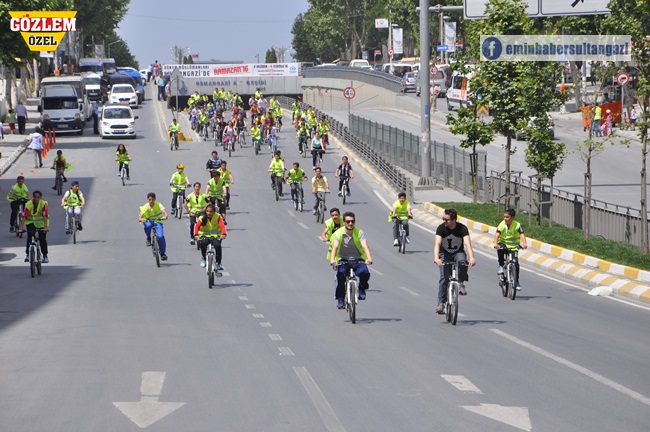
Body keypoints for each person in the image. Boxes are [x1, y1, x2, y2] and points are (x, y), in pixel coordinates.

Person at [433, 208, 476, 314]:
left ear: (453, 220)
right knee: (444, 277)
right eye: (443, 218)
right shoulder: (441, 228)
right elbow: (437, 244)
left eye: (446, 219)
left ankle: (461, 283)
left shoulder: (462, 228)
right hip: (444, 254)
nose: (444, 221)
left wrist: (472, 258)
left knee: (462, 262)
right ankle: (441, 303)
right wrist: (436, 258)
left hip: (458, 253)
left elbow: (467, 244)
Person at [329, 211, 373, 309]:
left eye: (352, 221)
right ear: (344, 222)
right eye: (348, 221)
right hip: (343, 260)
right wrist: (333, 260)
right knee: (340, 277)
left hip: (357, 260)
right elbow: (335, 247)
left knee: (365, 273)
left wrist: (369, 258)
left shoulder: (359, 232)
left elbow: (365, 246)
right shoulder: (339, 233)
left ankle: (361, 288)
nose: (350, 224)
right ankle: (340, 300)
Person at [493, 208, 528, 290]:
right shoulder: (502, 225)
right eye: (504, 217)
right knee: (500, 251)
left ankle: (516, 281)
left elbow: (522, 235)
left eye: (507, 217)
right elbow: (497, 235)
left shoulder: (517, 225)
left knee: (516, 263)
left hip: (513, 246)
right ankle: (501, 266)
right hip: (503, 243)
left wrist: (524, 244)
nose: (505, 219)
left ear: (512, 218)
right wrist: (495, 243)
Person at [19, 190, 49, 263]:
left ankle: (45, 256)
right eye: (35, 197)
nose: (36, 199)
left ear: (40, 198)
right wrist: (20, 228)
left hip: (41, 222)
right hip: (30, 222)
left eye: (38, 197)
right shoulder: (28, 204)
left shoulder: (43, 204)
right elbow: (25, 216)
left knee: (42, 239)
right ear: (33, 197)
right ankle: (28, 255)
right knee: (29, 237)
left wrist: (45, 227)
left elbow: (44, 215)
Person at [193, 204, 227, 268]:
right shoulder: (202, 218)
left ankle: (218, 263)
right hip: (204, 235)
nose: (209, 213)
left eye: (211, 211)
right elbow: (196, 226)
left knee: (218, 246)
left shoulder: (218, 217)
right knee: (203, 243)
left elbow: (222, 226)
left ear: (214, 212)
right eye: (207, 211)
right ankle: (203, 258)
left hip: (215, 235)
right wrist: (196, 235)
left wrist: (224, 234)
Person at [138, 192, 169, 260]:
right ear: (147, 199)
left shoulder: (158, 204)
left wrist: (165, 216)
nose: (151, 201)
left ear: (155, 199)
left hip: (157, 221)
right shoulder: (146, 206)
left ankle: (163, 253)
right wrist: (141, 219)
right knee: (148, 226)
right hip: (148, 220)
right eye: (150, 200)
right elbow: (140, 216)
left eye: (152, 199)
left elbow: (165, 212)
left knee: (161, 236)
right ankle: (148, 238)